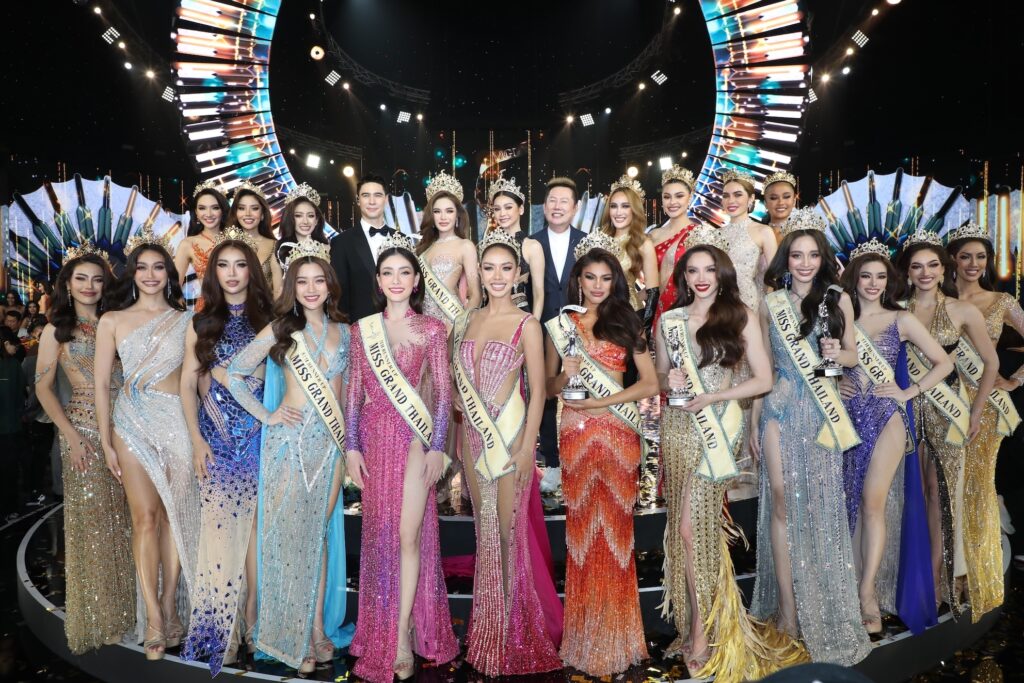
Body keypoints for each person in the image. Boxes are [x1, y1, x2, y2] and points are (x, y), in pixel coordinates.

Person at [657, 225, 807, 680]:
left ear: (722, 274)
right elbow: (661, 376)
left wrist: (715, 397)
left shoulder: (739, 314)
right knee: (685, 531)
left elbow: (763, 378)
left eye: (709, 270)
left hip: (718, 428)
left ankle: (703, 633)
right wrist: (671, 380)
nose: (701, 278)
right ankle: (700, 621)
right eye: (693, 270)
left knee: (692, 529)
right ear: (683, 276)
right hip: (679, 428)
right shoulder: (670, 321)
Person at [749, 208, 872, 665]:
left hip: (822, 412)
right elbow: (763, 367)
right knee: (781, 500)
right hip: (779, 408)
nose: (804, 263)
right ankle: (787, 609)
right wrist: (753, 421)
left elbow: (854, 355)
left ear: (823, 259)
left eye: (813, 255)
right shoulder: (770, 303)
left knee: (820, 505)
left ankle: (821, 599)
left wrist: (839, 351)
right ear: (786, 258)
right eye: (797, 255)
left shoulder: (838, 299)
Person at [226, 240, 351, 673]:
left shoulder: (345, 332)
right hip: (288, 445)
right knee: (287, 538)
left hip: (329, 448)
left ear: (330, 286)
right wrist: (268, 414)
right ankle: (290, 633)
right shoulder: (280, 328)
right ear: (292, 287)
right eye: (302, 281)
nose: (311, 289)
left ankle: (315, 629)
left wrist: (348, 448)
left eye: (319, 281)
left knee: (317, 537)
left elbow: (346, 397)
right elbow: (236, 374)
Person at [345, 233, 458, 682]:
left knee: (408, 535)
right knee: (380, 536)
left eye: (404, 272)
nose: (396, 280)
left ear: (416, 281)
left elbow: (444, 393)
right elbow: (353, 394)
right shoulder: (362, 330)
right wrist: (351, 447)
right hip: (374, 441)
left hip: (413, 439)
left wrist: (438, 447)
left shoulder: (432, 329)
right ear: (378, 280)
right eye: (388, 272)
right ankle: (382, 623)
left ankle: (402, 634)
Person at [544, 232, 658, 675]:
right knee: (581, 533)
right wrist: (566, 375)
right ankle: (585, 635)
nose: (596, 285)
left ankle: (617, 637)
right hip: (574, 434)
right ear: (578, 280)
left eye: (605, 278)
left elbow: (649, 383)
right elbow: (550, 387)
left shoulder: (628, 322)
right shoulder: (563, 326)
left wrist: (603, 402)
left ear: (615, 281)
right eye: (589, 277)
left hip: (616, 434)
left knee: (614, 534)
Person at [451, 229, 562, 676]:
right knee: (485, 532)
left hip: (509, 438)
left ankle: (514, 632)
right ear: (479, 272)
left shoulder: (527, 325)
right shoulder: (466, 321)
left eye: (506, 268)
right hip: (473, 440)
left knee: (508, 534)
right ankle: (488, 629)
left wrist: (527, 445)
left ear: (518, 274)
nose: (497, 276)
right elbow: (457, 383)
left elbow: (538, 392)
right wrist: (458, 401)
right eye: (489, 268)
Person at [94, 228, 200, 661]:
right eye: (143, 268)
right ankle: (153, 617)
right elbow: (102, 384)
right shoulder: (112, 320)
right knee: (145, 519)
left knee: (174, 517)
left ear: (170, 274)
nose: (151, 274)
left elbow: (193, 383)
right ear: (132, 274)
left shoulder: (187, 319)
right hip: (130, 424)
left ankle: (172, 606)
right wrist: (106, 441)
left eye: (159, 267)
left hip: (175, 421)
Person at [838, 243, 951, 635]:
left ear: (890, 281)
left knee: (872, 502)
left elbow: (944, 362)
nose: (873, 283)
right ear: (855, 280)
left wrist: (909, 391)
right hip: (848, 418)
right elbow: (825, 365)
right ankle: (852, 585)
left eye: (881, 276)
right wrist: (836, 385)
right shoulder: (841, 319)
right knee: (851, 502)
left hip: (887, 417)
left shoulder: (900, 319)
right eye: (866, 276)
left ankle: (867, 592)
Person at [180, 229, 273, 674]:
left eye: (240, 265)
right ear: (212, 273)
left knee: (256, 535)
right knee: (219, 536)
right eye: (223, 265)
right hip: (215, 440)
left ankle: (255, 620)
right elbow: (187, 385)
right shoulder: (200, 323)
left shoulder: (270, 320)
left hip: (260, 439)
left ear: (251, 271)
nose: (232, 274)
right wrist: (197, 441)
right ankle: (224, 629)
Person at [34, 244, 135, 654]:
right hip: (84, 432)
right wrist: (72, 436)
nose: (90, 286)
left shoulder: (117, 322)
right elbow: (43, 388)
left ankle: (132, 613)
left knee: (129, 523)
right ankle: (100, 618)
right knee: (93, 528)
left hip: (128, 428)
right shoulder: (55, 330)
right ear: (68, 284)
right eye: (81, 278)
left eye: (97, 279)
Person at [896, 232, 996, 613]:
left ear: (944, 269)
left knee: (940, 495)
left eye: (932, 265)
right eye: (917, 266)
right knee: (911, 493)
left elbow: (991, 363)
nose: (925, 273)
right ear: (907, 271)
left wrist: (976, 411)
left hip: (947, 410)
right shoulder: (895, 308)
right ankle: (907, 579)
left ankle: (936, 582)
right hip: (905, 410)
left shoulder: (962, 310)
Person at [947, 223, 1023, 621]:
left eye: (981, 257)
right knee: (946, 489)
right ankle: (948, 572)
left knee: (976, 486)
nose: (973, 264)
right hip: (942, 403)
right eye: (966, 256)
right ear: (953, 260)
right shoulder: (937, 299)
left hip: (985, 405)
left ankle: (977, 575)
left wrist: (1015, 380)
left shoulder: (1001, 301)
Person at [529, 177, 585, 493]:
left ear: (575, 208)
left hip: (581, 329)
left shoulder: (587, 242)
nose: (557, 206)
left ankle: (582, 456)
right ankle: (552, 463)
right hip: (541, 330)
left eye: (564, 201)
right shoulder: (531, 243)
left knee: (582, 390)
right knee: (546, 393)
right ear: (544, 206)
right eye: (552, 200)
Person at [415, 171, 481, 332]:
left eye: (449, 211)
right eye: (437, 211)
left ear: (457, 214)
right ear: (431, 215)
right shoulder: (423, 248)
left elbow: (476, 295)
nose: (443, 217)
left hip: (450, 321)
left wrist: (462, 325)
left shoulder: (465, 246)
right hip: (423, 322)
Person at [331, 173, 396, 321]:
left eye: (378, 195)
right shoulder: (342, 242)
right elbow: (339, 293)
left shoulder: (402, 239)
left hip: (400, 324)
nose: (372, 201)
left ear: (386, 199)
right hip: (359, 325)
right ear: (358, 200)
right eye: (366, 195)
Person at [600, 176, 659, 320]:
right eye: (614, 206)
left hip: (630, 317)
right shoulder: (600, 239)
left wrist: (644, 328)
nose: (618, 212)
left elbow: (652, 292)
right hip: (600, 315)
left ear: (634, 209)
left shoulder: (643, 243)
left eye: (625, 206)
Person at [648, 165, 700, 330]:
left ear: (690, 197)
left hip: (688, 310)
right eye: (667, 197)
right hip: (657, 309)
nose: (672, 202)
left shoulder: (700, 234)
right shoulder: (653, 235)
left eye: (679, 196)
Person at [488, 174, 545, 317]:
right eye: (497, 209)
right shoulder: (488, 245)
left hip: (519, 315)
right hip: (490, 314)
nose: (502, 213)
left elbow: (539, 294)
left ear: (521, 209)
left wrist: (534, 325)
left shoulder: (532, 247)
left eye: (508, 207)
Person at [174, 182, 228, 308]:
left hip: (239, 309)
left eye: (215, 207)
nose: (208, 214)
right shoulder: (188, 244)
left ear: (222, 210)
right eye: (202, 208)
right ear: (196, 213)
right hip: (206, 310)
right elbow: (174, 288)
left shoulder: (235, 240)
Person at [274, 183, 330, 298]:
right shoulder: (280, 250)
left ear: (317, 220)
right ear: (290, 219)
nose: (305, 221)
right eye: (298, 216)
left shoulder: (328, 249)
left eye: (310, 216)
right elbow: (277, 293)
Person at [228, 182, 279, 293]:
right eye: (241, 208)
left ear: (262, 214)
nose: (247, 214)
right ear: (235, 213)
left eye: (254, 208)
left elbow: (278, 291)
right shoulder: (225, 244)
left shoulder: (274, 246)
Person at [0, 326, 28, 520]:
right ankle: (10, 508)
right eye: (14, 346)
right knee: (9, 470)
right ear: (6, 343)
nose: (15, 349)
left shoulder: (14, 365)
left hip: (10, 426)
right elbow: (21, 397)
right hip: (10, 428)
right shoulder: (13, 365)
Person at [763, 171, 798, 244]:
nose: (781, 202)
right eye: (774, 198)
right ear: (765, 203)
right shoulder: (757, 232)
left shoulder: (802, 232)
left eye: (786, 197)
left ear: (794, 201)